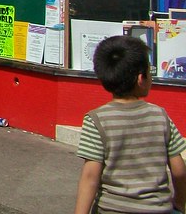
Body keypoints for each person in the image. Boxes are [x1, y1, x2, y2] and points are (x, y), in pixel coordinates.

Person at [74, 35, 186, 214]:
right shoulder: (160, 116)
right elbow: (179, 170)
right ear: (141, 78)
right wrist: (180, 202)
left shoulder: (96, 120)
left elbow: (90, 177)